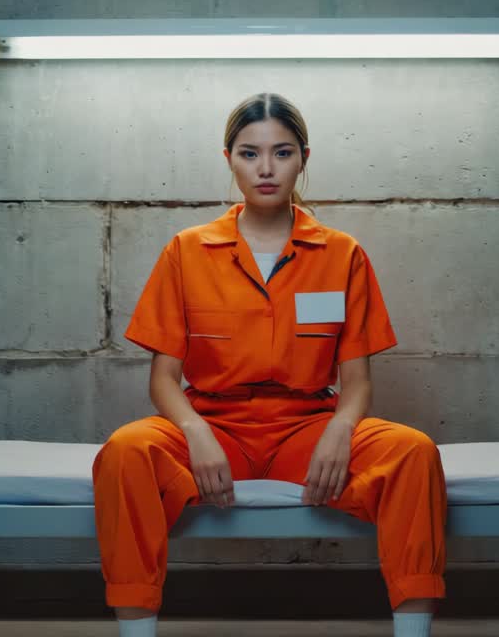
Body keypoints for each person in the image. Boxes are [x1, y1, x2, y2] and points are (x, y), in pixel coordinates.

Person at [92, 93, 447, 637]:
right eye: (249, 153)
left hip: (307, 430)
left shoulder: (340, 253)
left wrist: (340, 428)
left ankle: (413, 632)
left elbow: (356, 381)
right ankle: (136, 632)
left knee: (413, 452)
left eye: (281, 153)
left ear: (303, 157)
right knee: (124, 452)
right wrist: (195, 431)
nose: (264, 168)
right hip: (213, 429)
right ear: (228, 158)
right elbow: (163, 379)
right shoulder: (187, 251)